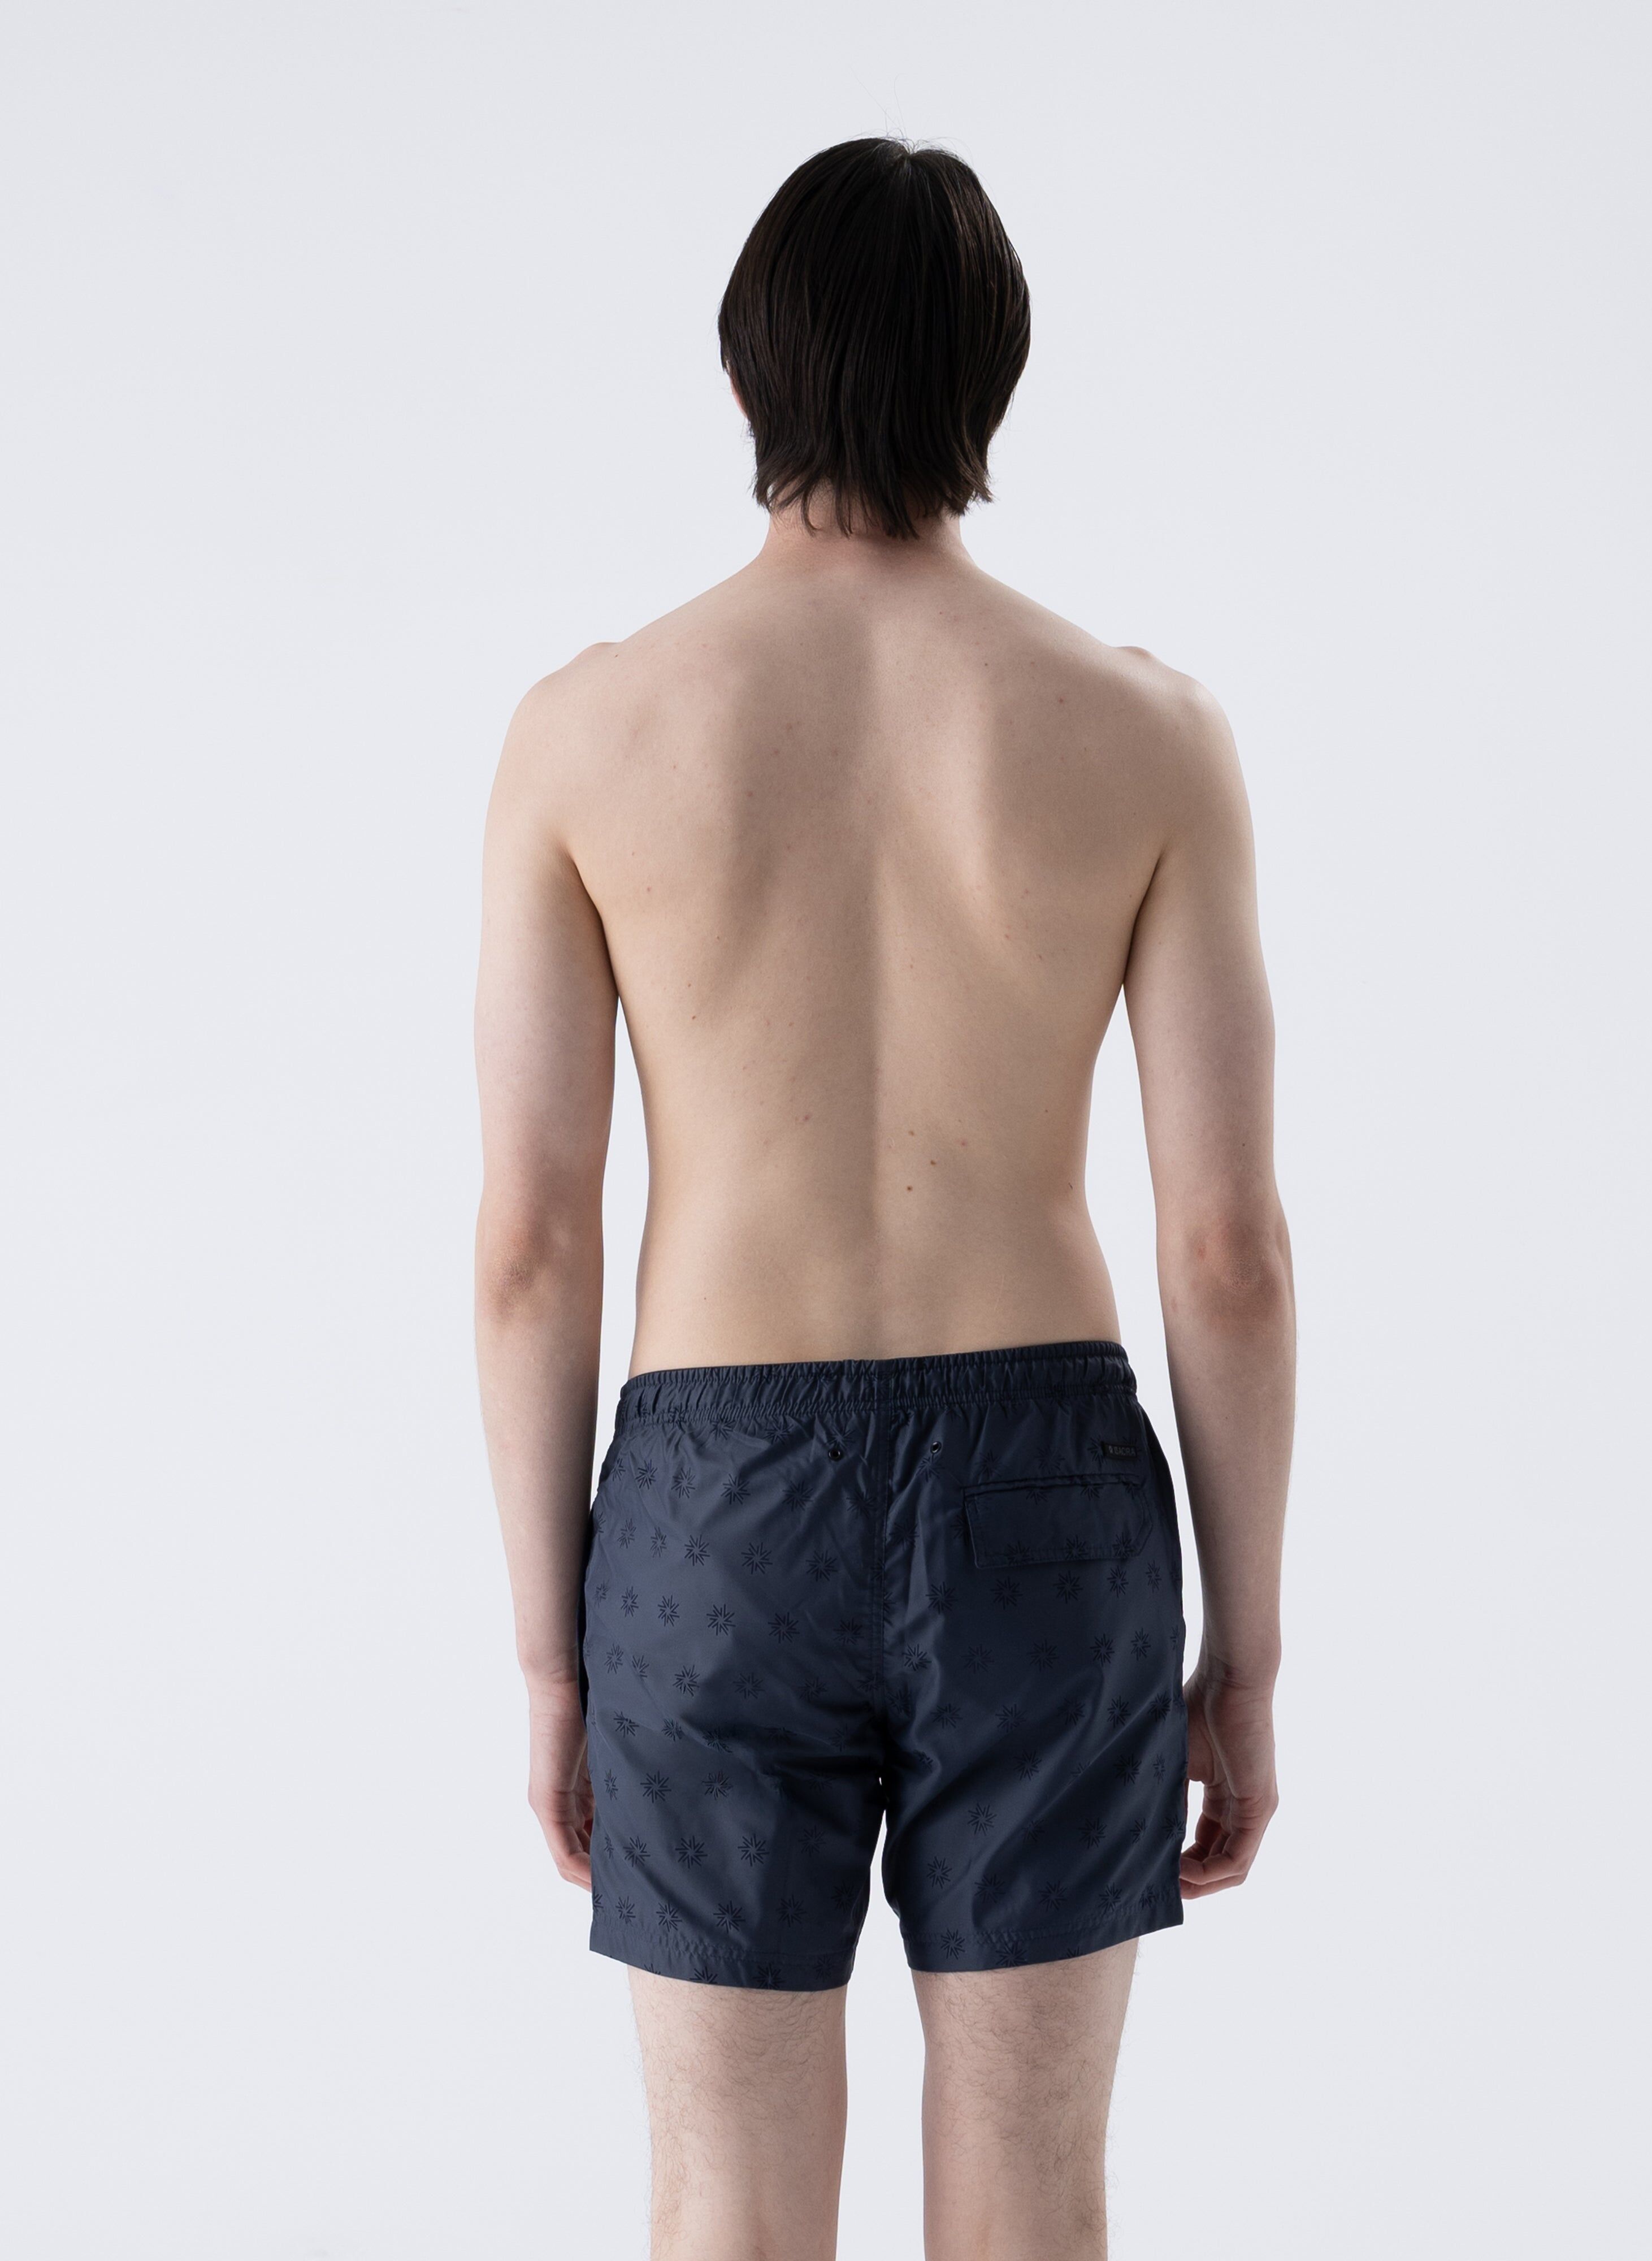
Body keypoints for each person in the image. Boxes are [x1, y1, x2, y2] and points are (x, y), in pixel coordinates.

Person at [474, 136, 1294, 2261]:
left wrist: (554, 1655)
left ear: (750, 363)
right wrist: (1247, 1655)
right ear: (991, 374)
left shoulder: (586, 733)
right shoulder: (1146, 732)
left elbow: (532, 1245)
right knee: (1033, 2197)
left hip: (713, 1506)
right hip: (1045, 1504)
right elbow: (1226, 1249)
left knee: (724, 2205)